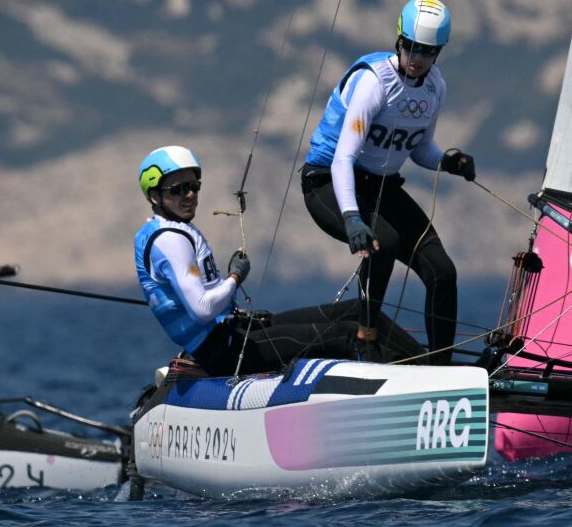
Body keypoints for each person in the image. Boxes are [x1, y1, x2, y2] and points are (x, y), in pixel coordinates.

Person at [135, 145, 415, 377]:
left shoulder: (172, 229)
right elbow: (202, 308)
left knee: (357, 311)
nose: (190, 195)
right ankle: (413, 382)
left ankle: (429, 366)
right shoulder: (168, 240)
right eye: (178, 189)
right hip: (225, 351)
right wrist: (235, 278)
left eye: (194, 186)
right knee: (347, 334)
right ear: (155, 196)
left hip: (235, 331)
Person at [301, 0, 476, 356]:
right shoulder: (374, 83)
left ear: (439, 52)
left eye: (426, 51)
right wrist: (351, 218)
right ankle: (366, 338)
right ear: (399, 41)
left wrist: (449, 161)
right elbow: (343, 158)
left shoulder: (434, 88)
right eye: (410, 47)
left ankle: (441, 369)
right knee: (384, 240)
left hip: (381, 186)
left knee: (443, 271)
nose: (416, 58)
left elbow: (420, 149)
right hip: (328, 181)